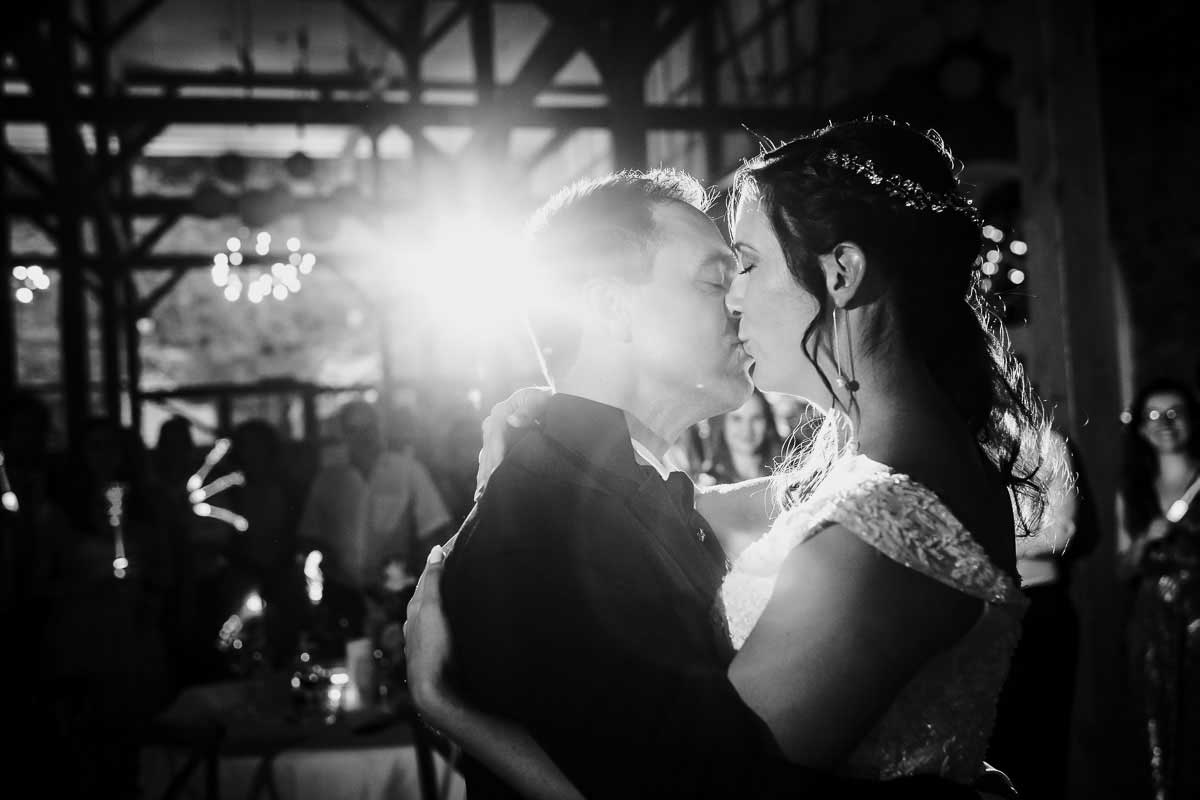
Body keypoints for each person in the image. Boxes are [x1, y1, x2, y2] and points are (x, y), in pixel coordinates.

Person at [410, 118, 1049, 797]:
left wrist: (448, 708)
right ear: (609, 308)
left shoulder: (884, 513)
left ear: (841, 273)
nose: (737, 302)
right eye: (718, 277)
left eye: (746, 266)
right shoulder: (536, 523)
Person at [1117, 378, 1200, 800]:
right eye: (1152, 416)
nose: (1163, 424)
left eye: (1174, 414)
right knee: (1158, 720)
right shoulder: (1134, 491)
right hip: (1154, 625)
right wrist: (1145, 539)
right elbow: (1123, 568)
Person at [297, 399, 452, 590]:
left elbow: (435, 531)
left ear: (380, 428)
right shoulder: (328, 480)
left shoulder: (409, 472)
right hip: (342, 594)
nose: (363, 437)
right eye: (353, 430)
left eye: (369, 428)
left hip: (396, 594)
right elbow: (311, 537)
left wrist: (416, 580)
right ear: (343, 434)